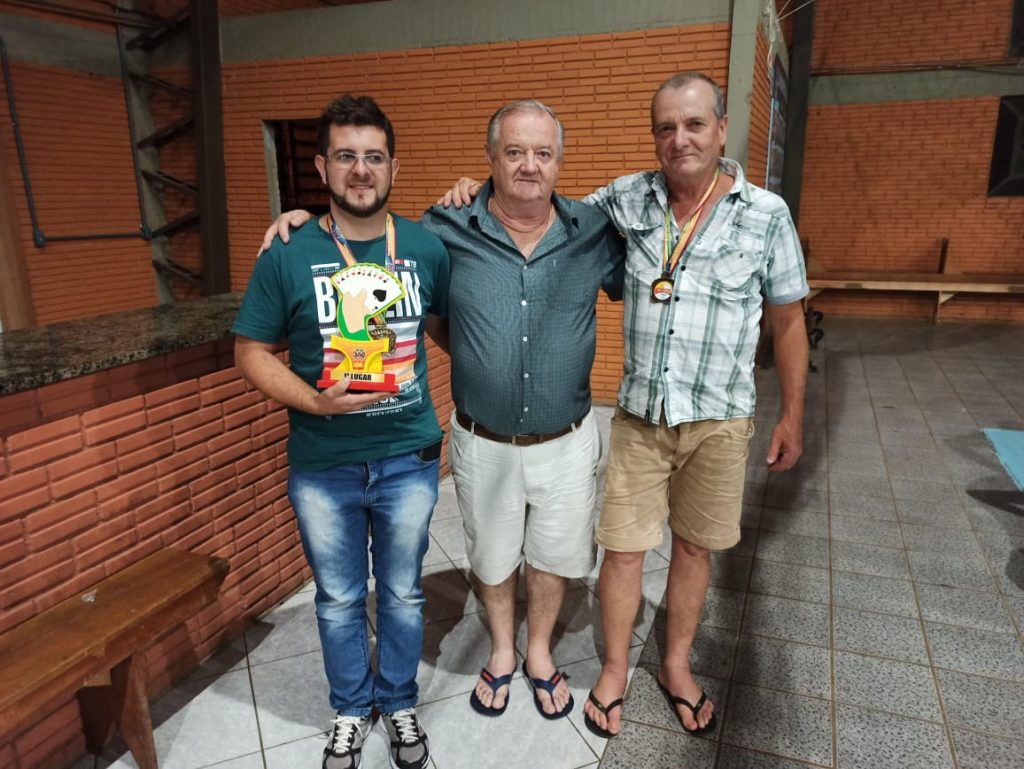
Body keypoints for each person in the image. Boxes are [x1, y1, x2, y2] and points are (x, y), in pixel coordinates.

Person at [440, 72, 809, 739]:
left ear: (722, 129)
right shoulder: (624, 201)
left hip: (720, 419)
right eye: (666, 127)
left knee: (693, 548)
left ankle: (673, 664)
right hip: (640, 416)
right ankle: (610, 668)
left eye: (694, 124)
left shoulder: (765, 214)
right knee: (622, 551)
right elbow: (531, 197)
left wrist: (792, 416)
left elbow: (788, 320)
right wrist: (474, 185)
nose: (680, 138)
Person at [260, 99, 625, 722]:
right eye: (514, 152)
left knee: (553, 554)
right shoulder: (446, 228)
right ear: (491, 159)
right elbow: (373, 247)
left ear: (560, 161)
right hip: (482, 437)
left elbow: (649, 273)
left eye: (543, 153)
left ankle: (539, 652)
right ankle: (503, 649)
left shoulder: (592, 231)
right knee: (491, 554)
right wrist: (306, 221)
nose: (530, 165)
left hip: (567, 437)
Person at [235, 94, 450, 769]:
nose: (362, 170)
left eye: (374, 156)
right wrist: (314, 403)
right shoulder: (288, 251)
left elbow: (444, 326)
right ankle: (352, 709)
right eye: (347, 156)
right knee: (337, 598)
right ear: (323, 167)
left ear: (393, 167)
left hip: (408, 455)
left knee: (404, 593)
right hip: (323, 462)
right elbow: (249, 352)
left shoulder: (425, 247)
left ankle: (400, 699)